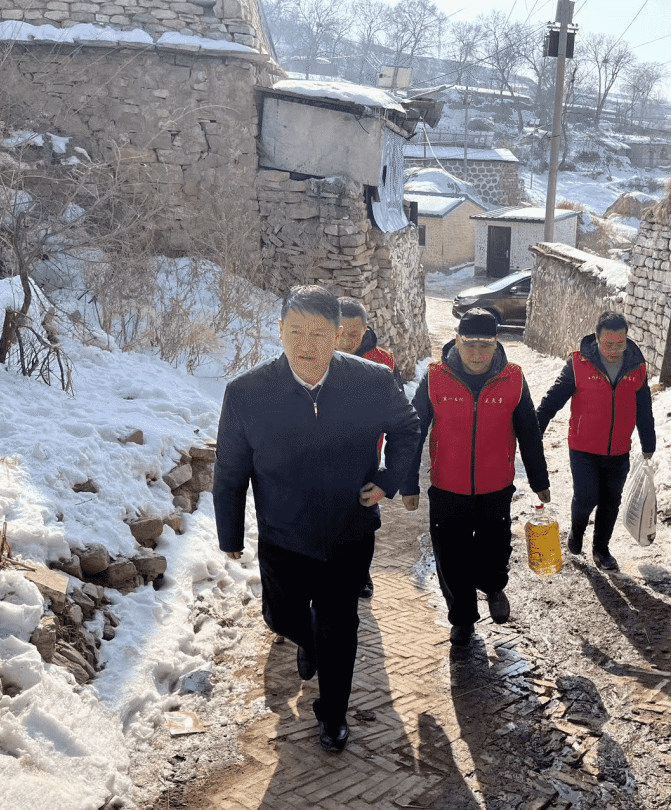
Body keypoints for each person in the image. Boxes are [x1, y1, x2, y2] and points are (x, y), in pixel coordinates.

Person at [213, 285, 419, 754]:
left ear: (338, 335)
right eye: (296, 331)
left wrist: (388, 480)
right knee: (281, 616)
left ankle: (334, 714)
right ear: (280, 330)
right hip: (282, 534)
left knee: (340, 623)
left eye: (319, 333)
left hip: (348, 529)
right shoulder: (248, 393)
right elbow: (230, 469)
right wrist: (230, 534)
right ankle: (308, 638)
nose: (306, 344)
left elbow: (407, 428)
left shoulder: (371, 381)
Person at [402, 308, 550, 647]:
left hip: (495, 488)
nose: (477, 353)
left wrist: (539, 480)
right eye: (470, 344)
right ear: (457, 341)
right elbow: (414, 431)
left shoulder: (513, 378)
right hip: (447, 488)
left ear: (496, 343)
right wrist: (408, 484)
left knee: (494, 551)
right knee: (451, 559)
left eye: (486, 345)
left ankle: (494, 587)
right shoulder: (435, 377)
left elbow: (529, 431)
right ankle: (463, 619)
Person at [536, 311, 656, 572]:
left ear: (626, 339)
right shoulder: (578, 364)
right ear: (597, 339)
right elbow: (553, 400)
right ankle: (577, 530)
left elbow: (644, 408)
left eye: (620, 344)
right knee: (586, 496)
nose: (614, 350)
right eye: (608, 344)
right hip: (583, 448)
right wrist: (534, 432)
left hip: (619, 449)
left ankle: (601, 549)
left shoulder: (636, 367)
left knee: (611, 501)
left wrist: (649, 442)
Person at [336, 296, 403, 600]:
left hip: (366, 456)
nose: (347, 340)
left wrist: (390, 476)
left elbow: (400, 417)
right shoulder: (315, 355)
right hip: (322, 453)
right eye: (341, 332)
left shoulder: (383, 361)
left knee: (363, 518)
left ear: (365, 329)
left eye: (355, 333)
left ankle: (361, 572)